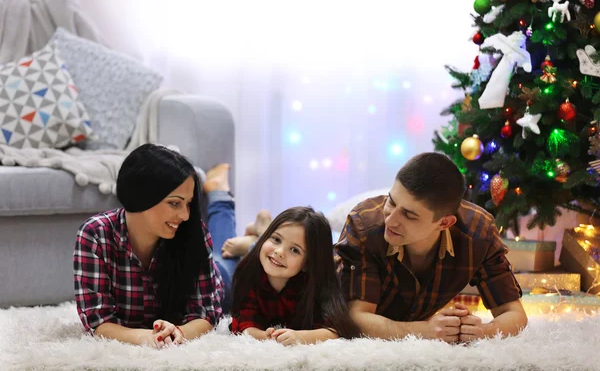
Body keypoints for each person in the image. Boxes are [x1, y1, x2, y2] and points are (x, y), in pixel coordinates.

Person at [334, 152, 527, 343]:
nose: (390, 221)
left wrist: (481, 331)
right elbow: (355, 319)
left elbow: (514, 314)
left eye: (409, 215)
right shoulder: (364, 225)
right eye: (391, 202)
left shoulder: (479, 233)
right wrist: (424, 330)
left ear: (444, 223)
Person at [73, 144, 233, 348]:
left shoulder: (193, 231)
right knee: (223, 251)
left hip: (222, 281)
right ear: (141, 197)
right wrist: (146, 338)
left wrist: (179, 332)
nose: (185, 215)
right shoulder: (95, 234)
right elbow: (97, 321)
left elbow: (207, 313)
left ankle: (221, 195)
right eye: (175, 203)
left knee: (230, 260)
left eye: (188, 203)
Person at [230, 206, 360, 345]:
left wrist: (301, 336)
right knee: (255, 250)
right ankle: (261, 230)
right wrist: (264, 336)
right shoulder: (249, 272)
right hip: (258, 255)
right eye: (276, 239)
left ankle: (262, 231)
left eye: (294, 250)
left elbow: (336, 330)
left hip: (288, 261)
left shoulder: (315, 285)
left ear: (307, 264)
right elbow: (243, 322)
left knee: (270, 252)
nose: (280, 251)